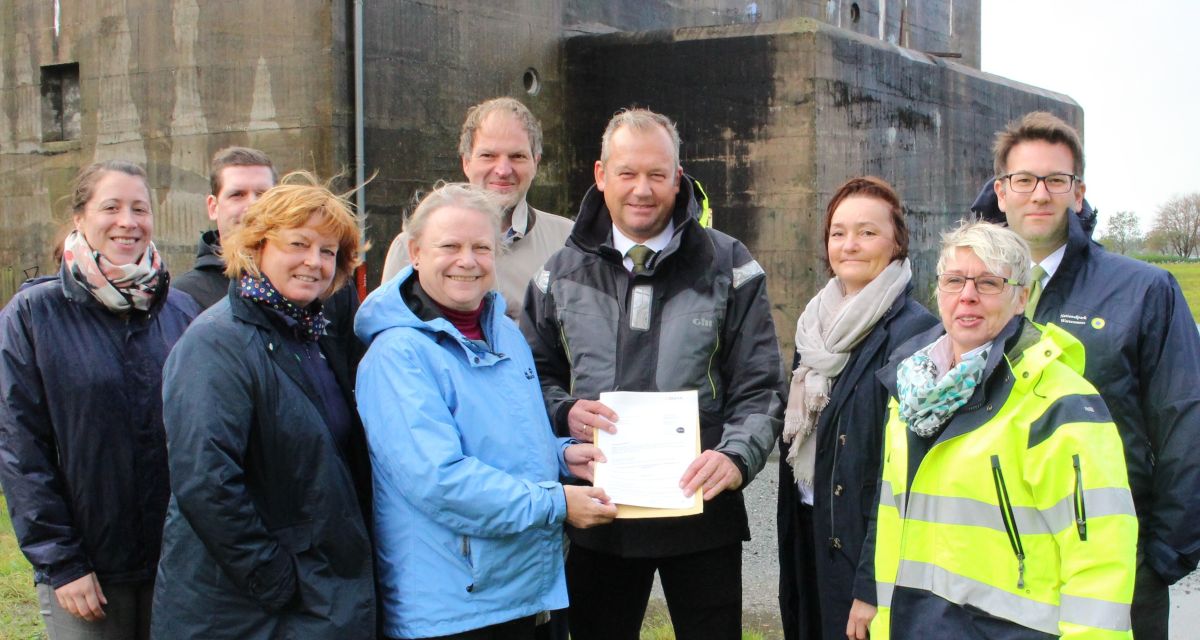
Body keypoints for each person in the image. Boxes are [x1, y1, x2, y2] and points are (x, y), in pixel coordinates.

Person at [521, 108, 785, 639]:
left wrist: (735, 457)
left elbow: (760, 385)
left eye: (657, 174)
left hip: (703, 512)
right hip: (599, 515)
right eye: (627, 173)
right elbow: (532, 378)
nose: (642, 189)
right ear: (600, 175)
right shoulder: (559, 273)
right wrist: (564, 411)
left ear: (678, 178)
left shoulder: (729, 265)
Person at [355, 183, 617, 640]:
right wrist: (556, 502)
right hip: (455, 606)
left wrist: (560, 456)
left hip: (525, 590)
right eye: (450, 247)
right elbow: (440, 480)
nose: (468, 260)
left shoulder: (504, 334)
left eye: (481, 246)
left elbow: (503, 437)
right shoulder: (398, 355)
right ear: (415, 252)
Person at [861, 221, 1137, 639]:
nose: (967, 295)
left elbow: (1100, 553)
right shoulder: (909, 393)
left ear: (1021, 297)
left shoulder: (1057, 401)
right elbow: (890, 525)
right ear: (939, 291)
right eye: (954, 280)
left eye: (989, 282)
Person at [985, 112, 1200, 639]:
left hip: (1115, 566)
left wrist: (1163, 554)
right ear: (1001, 191)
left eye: (1055, 180)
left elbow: (1185, 422)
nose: (1040, 194)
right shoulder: (971, 287)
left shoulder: (1144, 291)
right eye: (1024, 180)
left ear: (1077, 194)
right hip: (998, 563)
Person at [150, 172, 376, 639]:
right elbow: (206, 481)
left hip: (312, 594)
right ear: (257, 246)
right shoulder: (216, 343)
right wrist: (273, 580)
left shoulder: (312, 334)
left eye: (328, 252)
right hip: (242, 608)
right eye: (298, 244)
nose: (314, 262)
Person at [0, 161, 199, 639]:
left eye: (140, 208)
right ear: (79, 218)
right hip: (87, 570)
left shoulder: (180, 311)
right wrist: (61, 561)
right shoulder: (33, 315)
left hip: (176, 564)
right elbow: (20, 449)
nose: (127, 221)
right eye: (110, 207)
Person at [775, 177, 936, 640]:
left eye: (867, 232)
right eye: (838, 232)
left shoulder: (917, 335)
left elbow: (910, 476)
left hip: (864, 544)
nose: (850, 245)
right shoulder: (813, 327)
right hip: (809, 526)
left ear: (897, 242)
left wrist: (871, 581)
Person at [380, 97, 573, 321]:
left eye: (517, 156)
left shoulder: (567, 242)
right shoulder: (412, 247)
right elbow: (387, 332)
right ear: (466, 162)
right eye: (488, 155)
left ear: (536, 163)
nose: (502, 170)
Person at [174, 146, 363, 367]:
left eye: (263, 195)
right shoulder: (185, 297)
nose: (252, 205)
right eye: (237, 195)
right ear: (213, 206)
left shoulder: (330, 286)